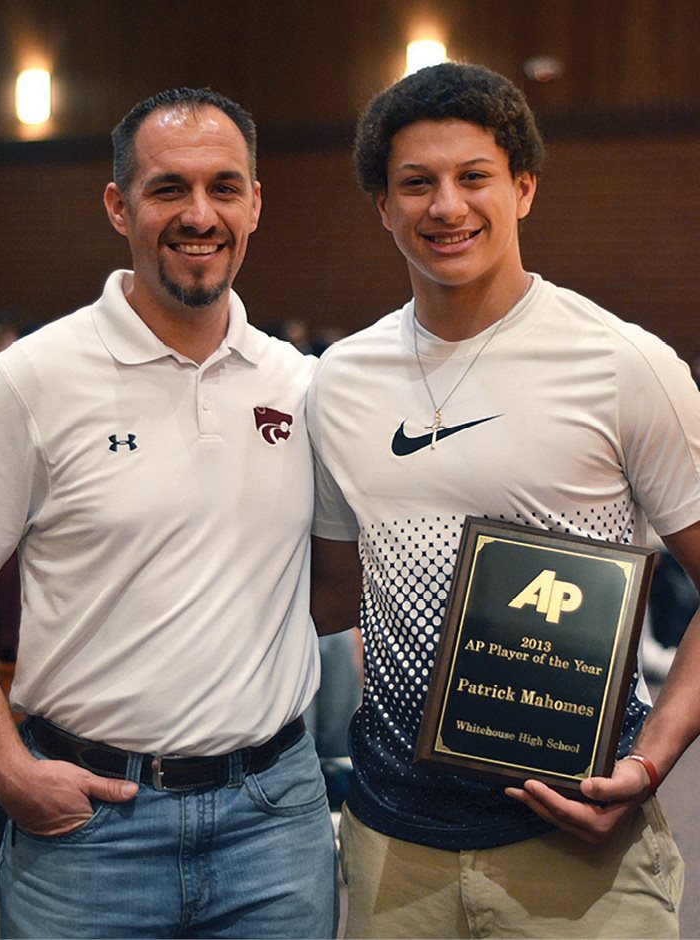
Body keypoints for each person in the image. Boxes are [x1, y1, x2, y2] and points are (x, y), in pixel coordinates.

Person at [308, 62, 700, 939]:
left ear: (522, 187)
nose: (446, 205)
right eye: (416, 183)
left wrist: (653, 760)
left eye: (473, 176)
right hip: (390, 843)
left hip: (581, 847)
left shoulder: (622, 363)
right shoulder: (338, 382)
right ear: (383, 206)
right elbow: (331, 598)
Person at [0, 87, 337, 939]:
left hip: (274, 823)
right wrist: (3, 764)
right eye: (169, 188)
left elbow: (341, 580)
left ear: (253, 207)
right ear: (118, 205)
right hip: (88, 828)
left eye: (223, 188)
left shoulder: (305, 384)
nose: (198, 215)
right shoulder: (31, 382)